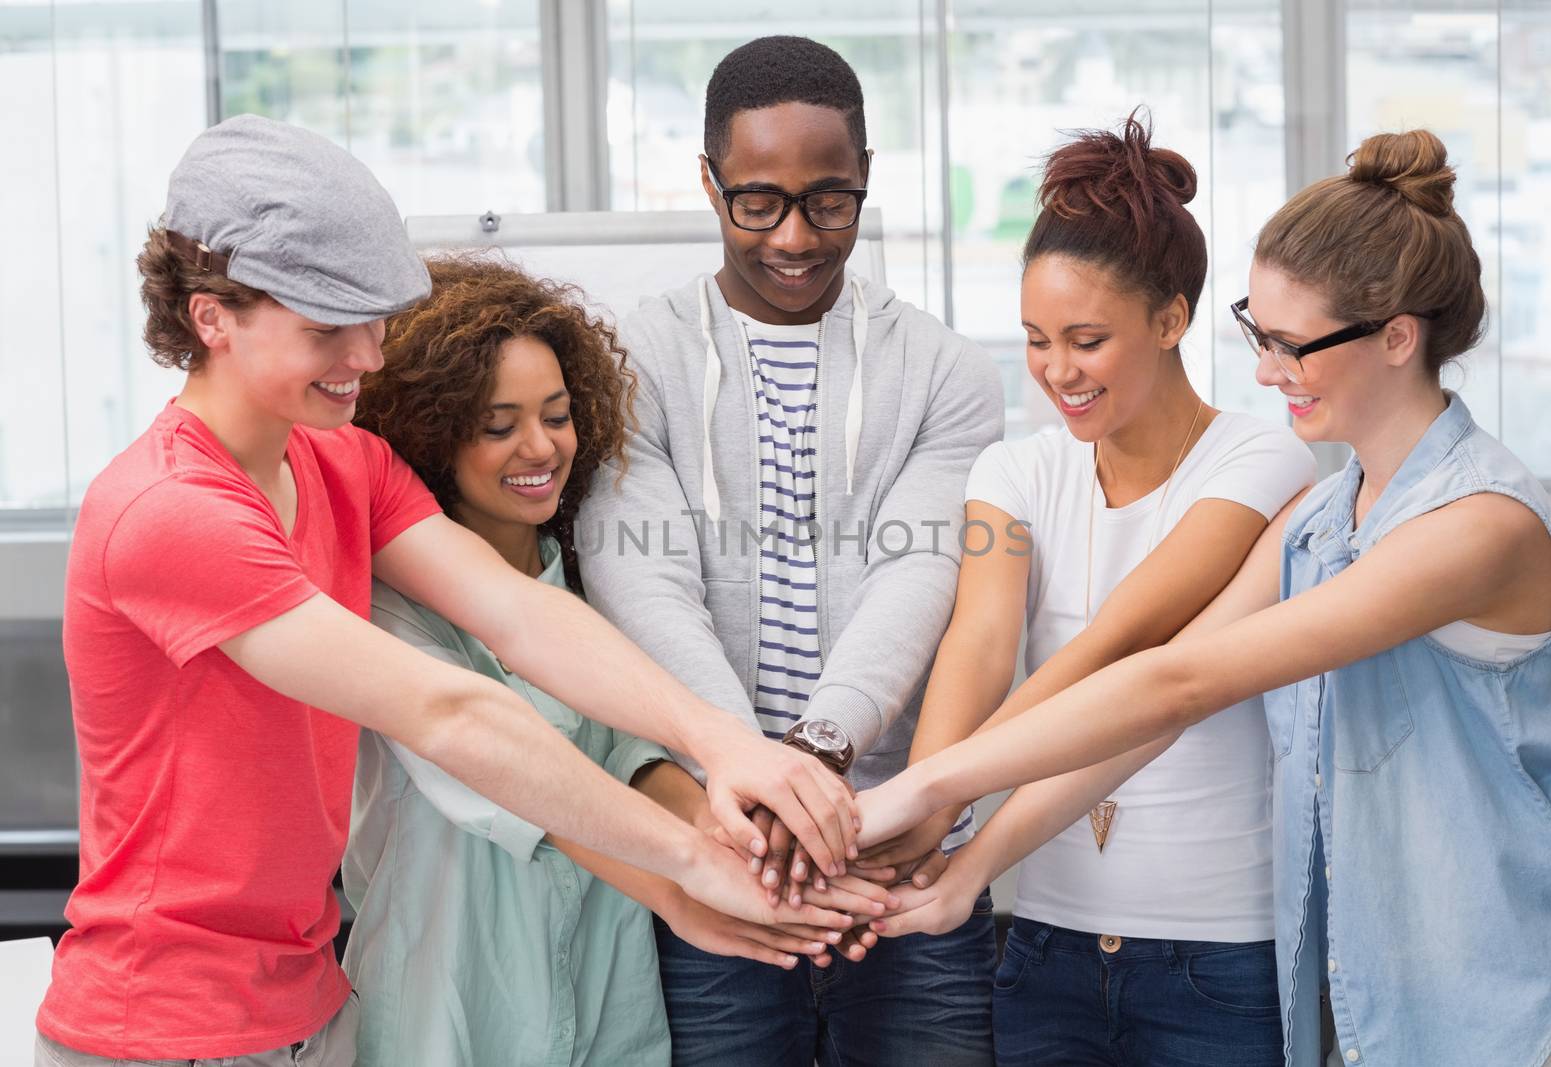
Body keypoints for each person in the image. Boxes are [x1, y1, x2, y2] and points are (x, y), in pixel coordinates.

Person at [34, 116, 858, 1067]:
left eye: (374, 319)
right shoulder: (170, 510)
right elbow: (450, 708)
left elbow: (525, 615)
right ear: (211, 317)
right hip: (161, 1028)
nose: (369, 357)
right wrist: (683, 861)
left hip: (308, 1008)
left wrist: (718, 739)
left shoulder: (346, 463)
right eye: (327, 329)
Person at [860, 129, 1551, 1067]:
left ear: (1397, 337)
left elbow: (1180, 680)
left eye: (1291, 345)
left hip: (1523, 1007)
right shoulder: (1320, 519)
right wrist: (968, 870)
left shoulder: (1477, 525)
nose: (1262, 370)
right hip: (1382, 1010)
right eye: (1260, 332)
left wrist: (929, 785)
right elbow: (1150, 716)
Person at [575, 35, 1006, 1067]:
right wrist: (749, 776)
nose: (796, 236)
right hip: (716, 842)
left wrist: (814, 762)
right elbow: (641, 577)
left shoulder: (948, 371)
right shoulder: (628, 360)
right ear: (709, 183)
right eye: (757, 200)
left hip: (899, 845)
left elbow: (920, 573)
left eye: (830, 200)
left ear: (866, 182)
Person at [341, 256, 889, 1066]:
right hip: (450, 1005)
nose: (541, 446)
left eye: (557, 415)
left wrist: (752, 851)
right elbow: (509, 778)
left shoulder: (590, 583)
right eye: (499, 425)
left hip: (606, 1000)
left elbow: (629, 758)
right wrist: (681, 882)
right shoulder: (386, 609)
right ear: (432, 430)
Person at [858, 115, 1314, 1067]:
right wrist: (919, 806)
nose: (1057, 371)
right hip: (1047, 946)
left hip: (1221, 956)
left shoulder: (1265, 457)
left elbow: (1129, 639)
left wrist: (945, 795)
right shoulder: (1008, 471)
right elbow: (978, 642)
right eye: (1034, 341)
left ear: (1172, 320)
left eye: (1086, 339)